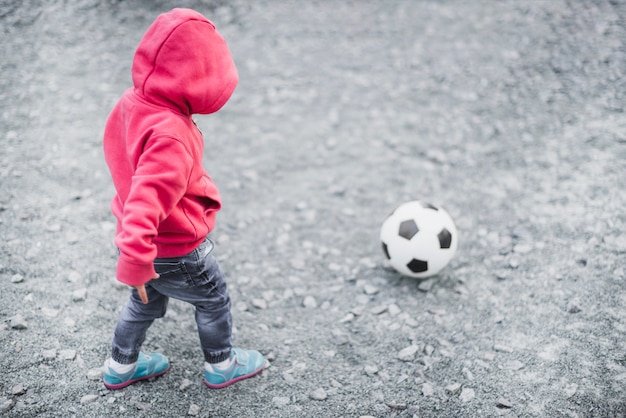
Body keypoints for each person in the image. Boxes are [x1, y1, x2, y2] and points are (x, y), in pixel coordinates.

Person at [101, 8, 265, 390]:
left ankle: (120, 366)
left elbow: (131, 171)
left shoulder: (133, 101)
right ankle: (222, 365)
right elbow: (147, 196)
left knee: (144, 304)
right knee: (213, 300)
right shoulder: (171, 136)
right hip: (176, 247)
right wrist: (136, 260)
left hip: (138, 240)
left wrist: (135, 254)